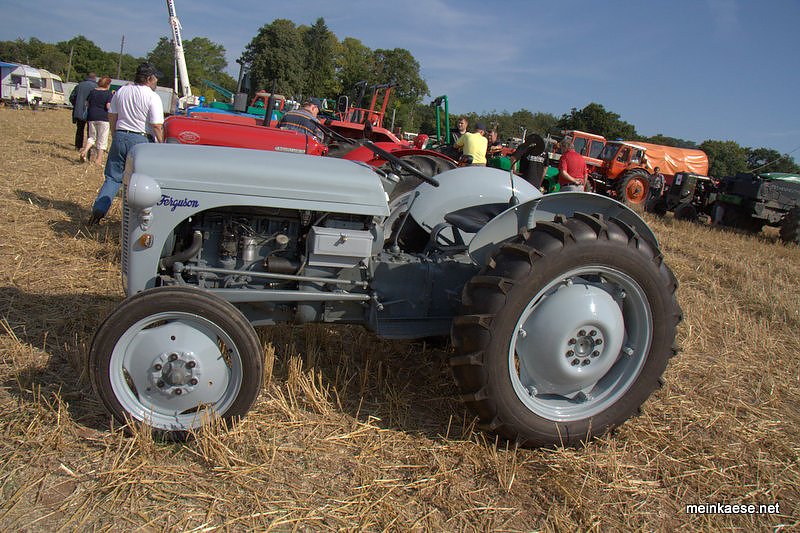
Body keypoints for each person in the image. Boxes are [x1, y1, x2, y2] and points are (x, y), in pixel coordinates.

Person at [88, 63, 164, 226]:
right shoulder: (152, 96)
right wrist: (162, 144)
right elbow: (157, 125)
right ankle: (135, 220)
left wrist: (116, 135)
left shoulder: (122, 91)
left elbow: (112, 116)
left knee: (113, 178)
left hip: (121, 136)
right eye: (155, 78)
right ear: (149, 78)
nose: (156, 81)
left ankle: (98, 211)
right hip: (141, 141)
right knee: (140, 182)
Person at [79, 76, 114, 165]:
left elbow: (87, 103)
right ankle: (98, 160)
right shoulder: (108, 93)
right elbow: (108, 106)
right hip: (103, 118)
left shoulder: (92, 92)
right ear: (107, 84)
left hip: (91, 117)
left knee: (92, 137)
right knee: (102, 139)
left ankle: (85, 151)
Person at [69, 72, 97, 150]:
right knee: (90, 131)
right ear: (95, 78)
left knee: (79, 130)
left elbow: (71, 97)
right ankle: (88, 148)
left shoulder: (79, 85)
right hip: (91, 112)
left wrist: (76, 105)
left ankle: (78, 146)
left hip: (79, 111)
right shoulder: (96, 87)